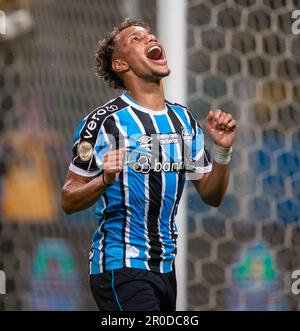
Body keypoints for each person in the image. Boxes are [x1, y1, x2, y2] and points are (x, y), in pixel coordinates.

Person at [61, 18, 237, 311]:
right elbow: (68, 198)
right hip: (120, 266)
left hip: (165, 270)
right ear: (120, 65)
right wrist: (103, 180)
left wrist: (222, 150)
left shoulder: (183, 120)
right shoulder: (103, 122)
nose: (150, 39)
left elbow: (212, 195)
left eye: (151, 35)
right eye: (136, 39)